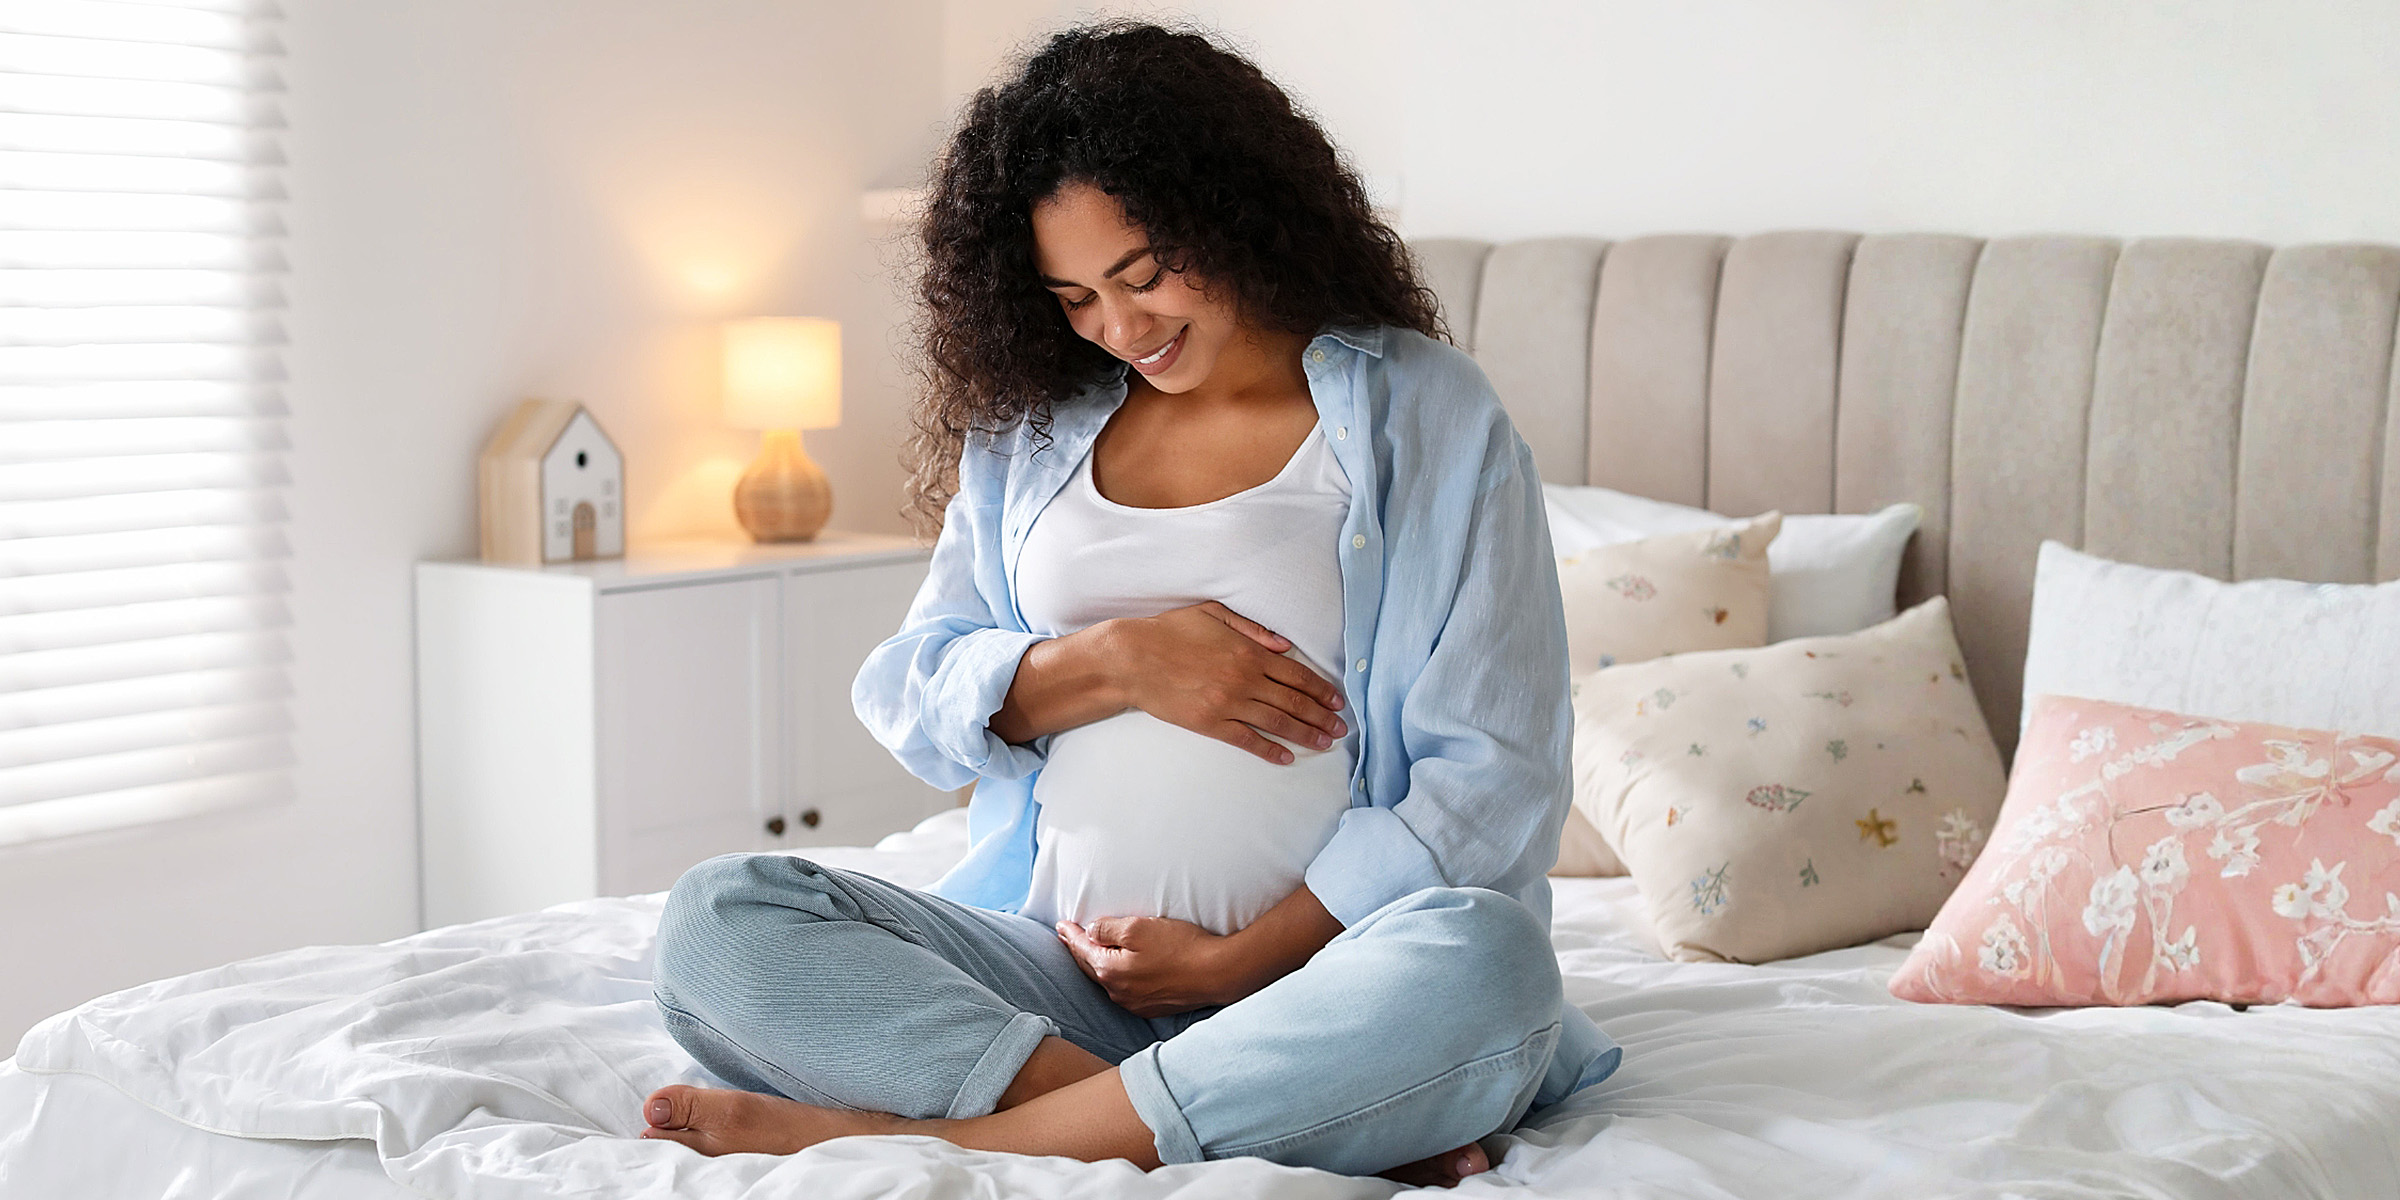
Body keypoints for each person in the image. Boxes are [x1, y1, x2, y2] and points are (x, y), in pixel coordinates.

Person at [637, 20, 1620, 1186]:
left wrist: (1234, 966)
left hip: (1335, 983)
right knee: (719, 918)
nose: (1121, 327)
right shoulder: (1035, 432)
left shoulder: (1423, 410)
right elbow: (913, 689)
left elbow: (1493, 775)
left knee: (1488, 960)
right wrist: (1113, 663)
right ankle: (1233, 1115)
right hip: (1062, 984)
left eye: (1145, 274)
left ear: (1236, 211)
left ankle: (952, 1141)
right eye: (1074, 297)